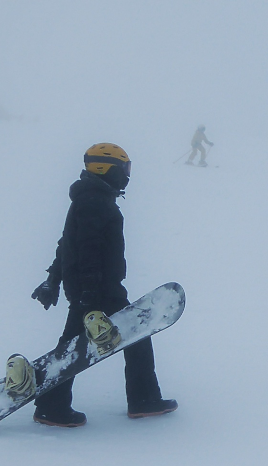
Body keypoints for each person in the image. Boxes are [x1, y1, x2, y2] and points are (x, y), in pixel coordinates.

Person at [30, 143, 178, 427]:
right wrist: (86, 295)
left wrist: (53, 280)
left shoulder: (92, 199)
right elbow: (85, 248)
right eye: (124, 168)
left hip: (97, 289)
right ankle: (55, 405)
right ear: (106, 168)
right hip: (98, 290)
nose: (127, 175)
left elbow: (65, 245)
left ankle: (55, 404)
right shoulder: (94, 203)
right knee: (108, 338)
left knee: (120, 337)